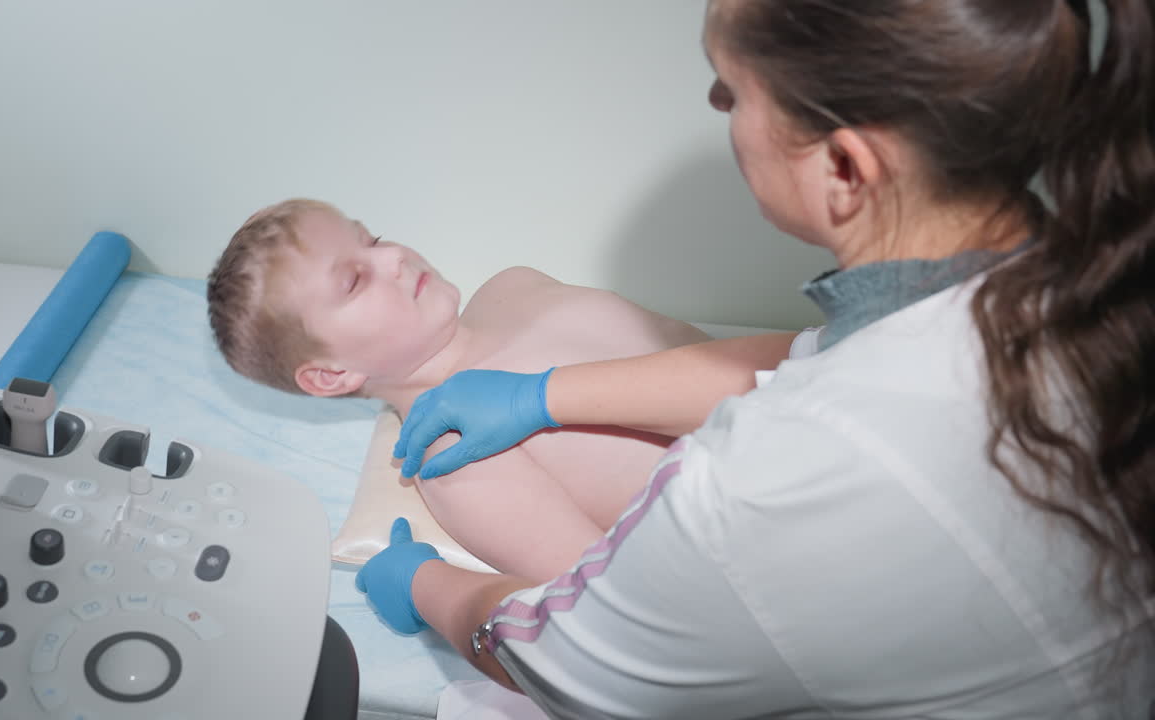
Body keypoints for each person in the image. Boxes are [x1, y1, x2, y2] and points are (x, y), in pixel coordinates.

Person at [356, 0, 1155, 717]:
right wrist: (544, 393)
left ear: (844, 168)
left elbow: (562, 665)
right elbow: (818, 355)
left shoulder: (759, 488)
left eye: (731, 91)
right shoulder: (1086, 282)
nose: (714, 107)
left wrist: (427, 586)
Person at [205, 197, 797, 581]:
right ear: (332, 375)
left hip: (818, 413)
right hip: (788, 543)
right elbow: (605, 597)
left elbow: (729, 359)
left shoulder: (515, 287)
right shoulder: (454, 457)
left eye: (373, 238)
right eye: (355, 280)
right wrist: (435, 592)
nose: (392, 258)